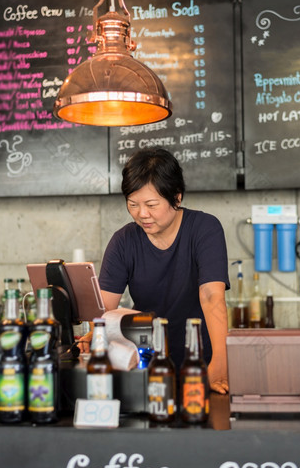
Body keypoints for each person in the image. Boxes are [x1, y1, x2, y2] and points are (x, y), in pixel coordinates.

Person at [79, 148, 230, 394]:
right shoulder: (124, 241)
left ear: (177, 198)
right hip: (146, 366)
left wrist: (221, 366)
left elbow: (213, 297)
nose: (142, 214)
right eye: (133, 204)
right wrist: (95, 333)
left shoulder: (204, 229)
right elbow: (105, 309)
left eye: (151, 204)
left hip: (202, 364)